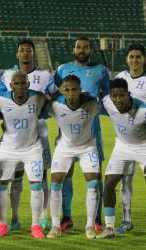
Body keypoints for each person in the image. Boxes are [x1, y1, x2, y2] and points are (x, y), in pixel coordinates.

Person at [0, 39, 58, 231]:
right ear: (17, 54)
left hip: (39, 132)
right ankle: (15, 218)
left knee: (41, 177)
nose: (25, 53)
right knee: (15, 177)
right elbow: (0, 101)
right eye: (22, 50)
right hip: (15, 133)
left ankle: (43, 217)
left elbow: (51, 99)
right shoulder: (7, 75)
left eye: (28, 50)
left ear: (33, 53)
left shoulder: (45, 75)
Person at [54, 37, 110, 231]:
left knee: (96, 177)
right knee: (65, 176)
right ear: (73, 49)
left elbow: (108, 98)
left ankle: (96, 219)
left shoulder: (101, 71)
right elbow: (52, 92)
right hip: (67, 134)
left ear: (91, 50)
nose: (82, 49)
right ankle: (66, 216)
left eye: (85, 47)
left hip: (92, 134)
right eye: (79, 46)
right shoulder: (62, 69)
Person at [0, 71, 47, 239]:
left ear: (28, 84)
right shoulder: (0, 100)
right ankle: (3, 224)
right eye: (16, 83)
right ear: (11, 86)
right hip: (8, 149)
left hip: (32, 149)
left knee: (36, 185)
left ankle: (35, 225)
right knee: (1, 185)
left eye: (23, 83)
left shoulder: (38, 98)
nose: (20, 86)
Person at [46, 75, 100, 239]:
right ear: (62, 90)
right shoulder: (55, 106)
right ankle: (55, 226)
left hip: (87, 147)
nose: (71, 94)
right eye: (67, 90)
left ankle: (89, 226)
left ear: (80, 89)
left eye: (74, 89)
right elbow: (40, 103)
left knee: (93, 184)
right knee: (55, 185)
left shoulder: (92, 104)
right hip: (64, 148)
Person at [97, 78, 146, 239]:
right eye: (114, 96)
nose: (117, 100)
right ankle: (109, 227)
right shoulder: (107, 102)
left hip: (143, 146)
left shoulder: (143, 110)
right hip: (122, 146)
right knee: (109, 183)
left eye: (121, 96)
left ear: (128, 94)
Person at [114, 44, 146, 233]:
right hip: (125, 139)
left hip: (144, 139)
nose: (135, 60)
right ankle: (126, 220)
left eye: (139, 57)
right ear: (127, 59)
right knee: (125, 180)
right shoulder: (120, 78)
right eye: (132, 56)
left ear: (143, 59)